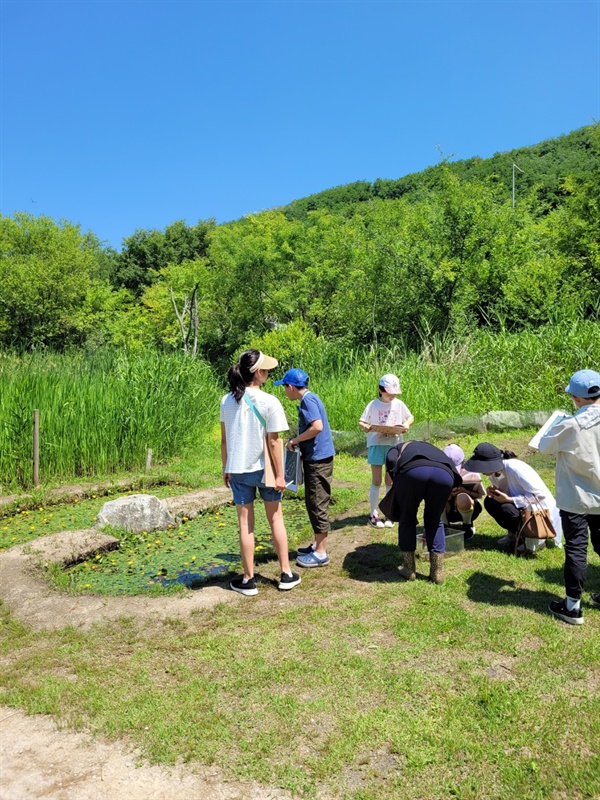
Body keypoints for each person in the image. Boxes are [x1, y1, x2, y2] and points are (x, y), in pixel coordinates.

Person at [220, 349, 301, 596]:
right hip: (266, 471)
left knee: (245, 525)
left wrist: (225, 467)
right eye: (265, 368)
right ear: (258, 372)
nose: (267, 371)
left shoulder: (226, 400)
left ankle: (248, 579)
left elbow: (224, 440)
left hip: (238, 470)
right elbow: (274, 442)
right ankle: (286, 573)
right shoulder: (269, 402)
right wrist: (280, 475)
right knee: (276, 518)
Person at [538, 369, 600, 625]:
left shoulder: (570, 425)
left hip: (575, 498)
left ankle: (572, 607)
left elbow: (544, 447)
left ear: (575, 398)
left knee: (576, 548)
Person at [274, 368, 335, 568]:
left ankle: (321, 552)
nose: (284, 391)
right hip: (316, 457)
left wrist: (295, 441)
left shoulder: (307, 401)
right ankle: (318, 543)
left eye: (284, 387)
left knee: (317, 502)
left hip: (318, 459)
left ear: (291, 387)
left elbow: (317, 427)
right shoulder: (310, 398)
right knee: (312, 501)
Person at [383, 440, 462, 585]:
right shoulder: (432, 448)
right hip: (445, 475)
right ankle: (437, 572)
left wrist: (395, 478)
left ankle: (409, 569)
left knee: (407, 519)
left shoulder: (398, 448)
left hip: (413, 473)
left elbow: (391, 459)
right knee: (435, 521)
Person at [464, 443, 562, 553]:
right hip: (521, 506)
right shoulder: (495, 471)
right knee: (490, 502)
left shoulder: (515, 468)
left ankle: (534, 539)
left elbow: (539, 496)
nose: (481, 471)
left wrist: (509, 500)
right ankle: (515, 534)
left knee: (507, 508)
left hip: (539, 511)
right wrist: (495, 492)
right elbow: (505, 487)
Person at [359, 374, 414, 528]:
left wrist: (405, 426)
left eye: (394, 393)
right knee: (376, 480)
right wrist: (367, 427)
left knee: (390, 480)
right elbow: (362, 421)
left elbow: (410, 417)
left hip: (393, 444)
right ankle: (373, 513)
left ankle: (390, 513)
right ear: (380, 390)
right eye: (389, 393)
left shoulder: (399, 404)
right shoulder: (373, 405)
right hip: (376, 444)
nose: (392, 396)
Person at [442, 444, 485, 540]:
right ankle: (444, 526)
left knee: (462, 496)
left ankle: (467, 525)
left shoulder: (471, 471)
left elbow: (480, 495)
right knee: (438, 497)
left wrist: (466, 491)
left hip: (467, 507)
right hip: (446, 509)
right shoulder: (439, 471)